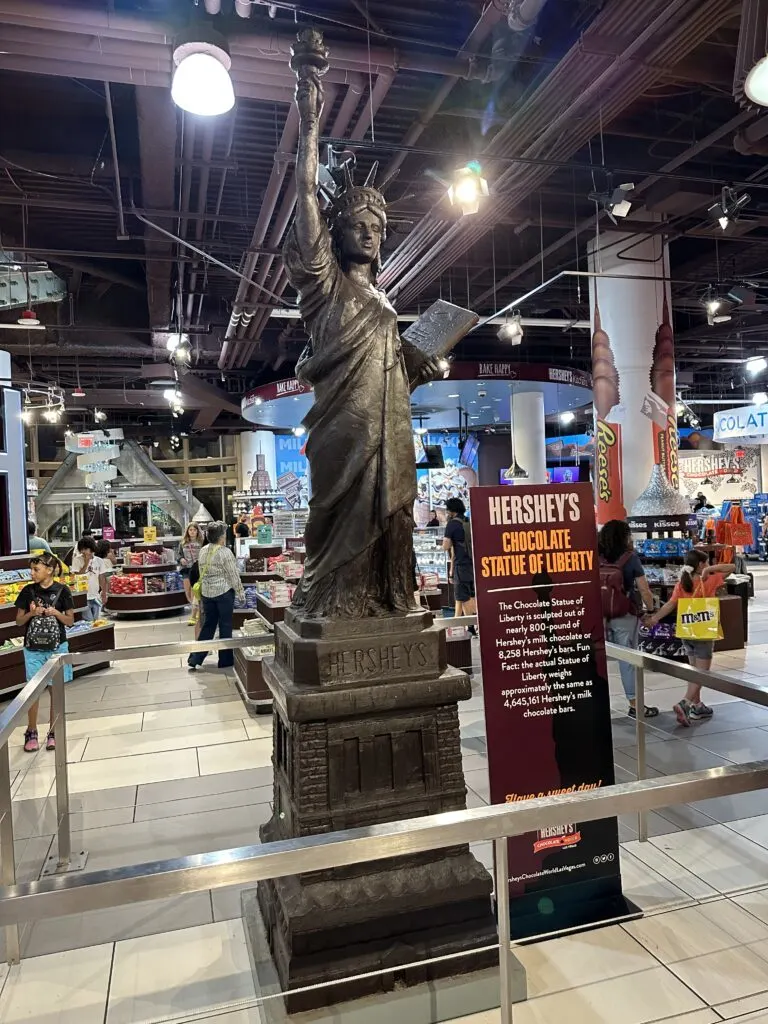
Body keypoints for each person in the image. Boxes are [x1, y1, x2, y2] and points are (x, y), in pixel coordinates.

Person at [282, 46, 441, 618]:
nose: (369, 233)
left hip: (387, 427)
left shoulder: (381, 299)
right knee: (335, 509)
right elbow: (303, 195)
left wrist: (418, 366)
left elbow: (392, 376)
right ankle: (331, 597)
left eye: (376, 227)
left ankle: (386, 596)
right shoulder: (323, 283)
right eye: (356, 224)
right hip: (342, 431)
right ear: (336, 231)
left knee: (391, 511)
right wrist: (309, 112)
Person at [646, 550, 736, 726]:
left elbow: (671, 604)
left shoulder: (683, 583)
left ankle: (697, 705)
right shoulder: (709, 579)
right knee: (702, 673)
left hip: (687, 631)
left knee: (693, 671)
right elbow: (732, 567)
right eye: (707, 563)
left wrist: (654, 619)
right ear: (701, 564)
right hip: (703, 629)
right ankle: (685, 703)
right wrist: (709, 571)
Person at [15, 553, 74, 752]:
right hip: (33, 649)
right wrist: (32, 613)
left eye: (36, 569)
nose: (32, 573)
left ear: (49, 570)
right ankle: (31, 731)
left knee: (55, 690)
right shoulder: (27, 591)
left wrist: (55, 613)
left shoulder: (63, 591)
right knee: (33, 690)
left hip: (57, 648)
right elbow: (19, 621)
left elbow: (70, 621)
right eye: (31, 569)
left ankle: (54, 731)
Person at [598, 519, 657, 718]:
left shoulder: (595, 556)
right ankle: (635, 705)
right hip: (625, 615)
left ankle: (595, 706)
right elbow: (644, 590)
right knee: (628, 661)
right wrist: (651, 610)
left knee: (597, 661)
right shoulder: (630, 559)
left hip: (599, 616)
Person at [187, 521, 245, 671]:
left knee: (208, 625)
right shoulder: (225, 552)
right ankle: (225, 660)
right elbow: (233, 575)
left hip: (207, 593)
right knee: (225, 626)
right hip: (224, 593)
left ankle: (195, 657)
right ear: (221, 536)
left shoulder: (203, 550)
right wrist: (240, 593)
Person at [442, 498, 477, 631]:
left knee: (463, 596)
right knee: (471, 594)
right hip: (472, 564)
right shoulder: (468, 521)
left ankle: (471, 627)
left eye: (447, 510)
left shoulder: (452, 525)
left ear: (452, 511)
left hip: (461, 565)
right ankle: (472, 623)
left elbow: (446, 546)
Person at [72, 537, 108, 620]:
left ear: (92, 549)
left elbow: (102, 578)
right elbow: (78, 576)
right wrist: (86, 562)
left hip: (95, 595)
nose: (83, 551)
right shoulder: (77, 560)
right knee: (88, 620)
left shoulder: (99, 561)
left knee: (96, 621)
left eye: (85, 549)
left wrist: (104, 593)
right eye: (81, 549)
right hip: (84, 597)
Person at [178, 523, 204, 624]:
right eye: (190, 530)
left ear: (197, 531)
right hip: (186, 569)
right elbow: (178, 555)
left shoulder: (202, 542)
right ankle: (195, 609)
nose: (192, 532)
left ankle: (195, 614)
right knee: (188, 592)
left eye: (194, 530)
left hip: (198, 569)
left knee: (195, 591)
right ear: (187, 532)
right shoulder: (183, 543)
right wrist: (181, 559)